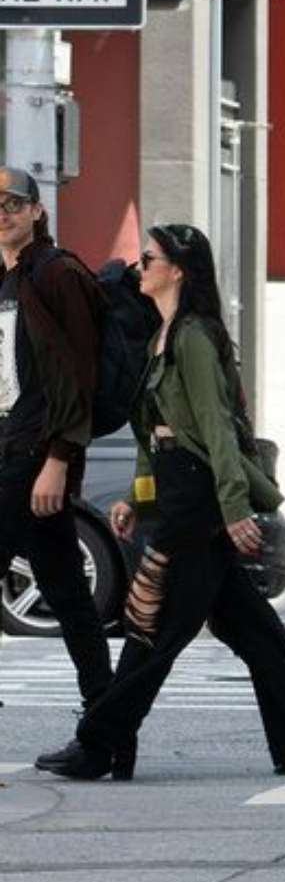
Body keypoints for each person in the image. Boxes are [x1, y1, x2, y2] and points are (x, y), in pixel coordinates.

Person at [35, 223, 285, 780]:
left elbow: (215, 432)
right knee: (248, 625)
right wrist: (135, 495)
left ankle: (100, 743)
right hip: (179, 487)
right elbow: (155, 433)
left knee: (150, 622)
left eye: (148, 258)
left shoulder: (194, 338)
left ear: (177, 269)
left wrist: (233, 509)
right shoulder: (163, 335)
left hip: (199, 495)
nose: (138, 268)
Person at [0, 167, 112, 711]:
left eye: (12, 202)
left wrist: (60, 458)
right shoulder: (5, 278)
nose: (3, 212)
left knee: (66, 587)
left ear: (36, 211)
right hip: (7, 446)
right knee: (67, 588)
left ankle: (107, 723)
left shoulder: (58, 274)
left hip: (34, 452)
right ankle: (107, 721)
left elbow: (80, 374)